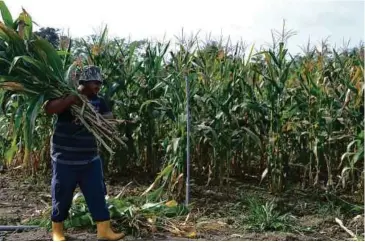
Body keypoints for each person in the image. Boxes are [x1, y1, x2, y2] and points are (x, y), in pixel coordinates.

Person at [44, 65, 124, 241]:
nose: (98, 86)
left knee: (97, 193)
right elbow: (48, 108)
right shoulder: (66, 95)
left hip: (90, 159)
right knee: (62, 194)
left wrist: (96, 117)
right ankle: (58, 231)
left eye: (100, 83)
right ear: (84, 82)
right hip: (65, 158)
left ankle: (104, 230)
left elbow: (110, 122)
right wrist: (70, 100)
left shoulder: (99, 101)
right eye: (95, 82)